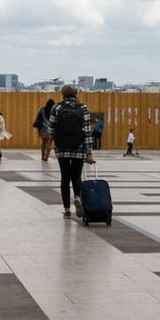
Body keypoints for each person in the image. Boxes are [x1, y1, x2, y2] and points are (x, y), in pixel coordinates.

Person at [48, 84, 94, 219]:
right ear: (76, 94)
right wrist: (89, 152)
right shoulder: (83, 108)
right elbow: (87, 131)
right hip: (78, 147)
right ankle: (78, 197)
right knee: (76, 176)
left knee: (65, 177)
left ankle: (67, 209)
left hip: (62, 148)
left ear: (63, 94)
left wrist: (52, 140)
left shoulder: (56, 107)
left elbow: (51, 128)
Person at [33, 98, 57, 162]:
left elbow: (38, 118)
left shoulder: (42, 109)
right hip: (51, 128)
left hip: (43, 128)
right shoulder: (54, 110)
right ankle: (47, 156)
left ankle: (42, 155)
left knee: (44, 142)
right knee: (49, 143)